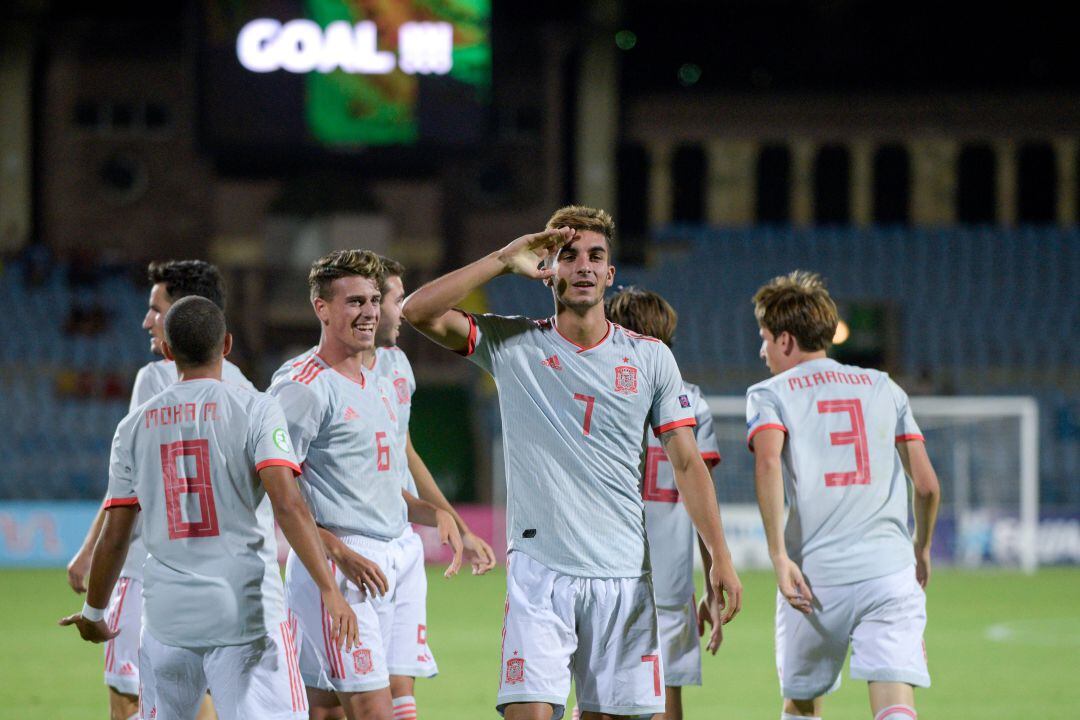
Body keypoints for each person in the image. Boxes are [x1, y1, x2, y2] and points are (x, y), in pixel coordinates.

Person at [403, 205, 743, 720]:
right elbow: (416, 312)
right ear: (548, 270)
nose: (582, 265)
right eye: (568, 255)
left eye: (595, 256)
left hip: (624, 575)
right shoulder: (512, 343)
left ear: (609, 273)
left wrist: (719, 555)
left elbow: (689, 464)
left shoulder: (650, 358)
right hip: (542, 574)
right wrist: (502, 258)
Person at [59, 296, 359, 720]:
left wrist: (94, 611)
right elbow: (288, 506)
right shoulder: (256, 409)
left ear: (167, 351)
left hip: (167, 620)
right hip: (245, 616)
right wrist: (330, 591)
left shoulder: (133, 427)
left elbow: (116, 534)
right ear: (227, 346)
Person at [268, 249, 464, 720]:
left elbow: (371, 483)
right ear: (322, 308)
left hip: (391, 557)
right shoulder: (300, 387)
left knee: (328, 710)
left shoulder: (382, 376)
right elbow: (280, 497)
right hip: (338, 568)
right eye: (355, 301)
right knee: (376, 711)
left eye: (375, 299)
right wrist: (335, 564)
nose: (370, 312)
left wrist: (435, 514)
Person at [745, 271, 941, 720]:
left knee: (802, 700)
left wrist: (778, 555)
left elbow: (769, 462)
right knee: (894, 702)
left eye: (765, 339)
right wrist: (922, 547)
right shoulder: (884, 386)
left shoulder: (768, 394)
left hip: (814, 579)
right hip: (889, 571)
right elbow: (927, 485)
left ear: (787, 340)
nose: (762, 351)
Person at [66, 259, 254, 720]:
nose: (147, 320)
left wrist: (90, 551)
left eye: (157, 309)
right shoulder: (248, 394)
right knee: (199, 697)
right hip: (222, 583)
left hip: (146, 567)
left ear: (186, 314)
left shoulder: (155, 380)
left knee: (130, 701)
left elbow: (125, 487)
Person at [604, 287, 724, 720]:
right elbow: (702, 496)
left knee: (596, 692)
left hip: (605, 568)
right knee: (667, 701)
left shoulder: (604, 388)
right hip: (671, 579)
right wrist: (713, 583)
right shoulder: (693, 400)